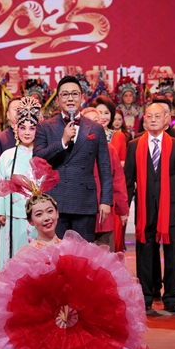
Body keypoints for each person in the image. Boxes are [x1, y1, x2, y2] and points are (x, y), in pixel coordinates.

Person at [124, 103, 175, 313]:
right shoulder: (134, 145)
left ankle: (170, 297)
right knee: (145, 253)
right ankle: (145, 296)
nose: (153, 120)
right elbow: (128, 180)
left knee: (172, 254)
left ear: (166, 119)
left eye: (157, 116)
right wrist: (124, 207)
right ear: (144, 120)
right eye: (149, 116)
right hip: (145, 209)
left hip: (171, 208)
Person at [34, 75, 113, 241]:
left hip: (84, 201)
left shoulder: (96, 128)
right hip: (55, 201)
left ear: (82, 97)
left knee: (83, 252)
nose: (70, 98)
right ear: (58, 99)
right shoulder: (45, 127)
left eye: (74, 94)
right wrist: (62, 142)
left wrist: (106, 201)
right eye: (65, 94)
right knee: (56, 252)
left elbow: (105, 167)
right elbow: (38, 159)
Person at [0, 97, 42, 268]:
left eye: (32, 128)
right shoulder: (7, 156)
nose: (27, 132)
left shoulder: (42, 155)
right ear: (16, 129)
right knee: (12, 253)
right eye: (23, 127)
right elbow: (0, 183)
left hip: (37, 214)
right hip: (11, 213)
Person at [82, 107, 130, 252]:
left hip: (103, 215)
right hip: (80, 215)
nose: (92, 125)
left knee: (105, 258)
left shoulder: (109, 150)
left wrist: (123, 210)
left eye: (95, 121)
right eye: (87, 122)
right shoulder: (72, 149)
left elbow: (118, 182)